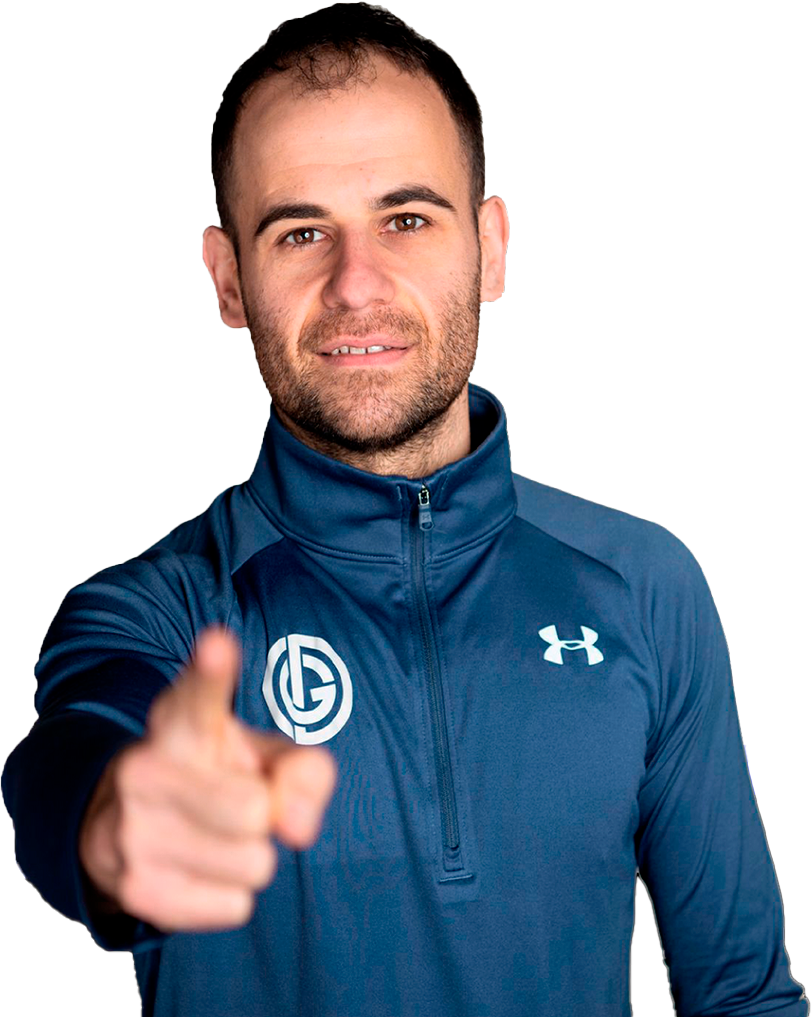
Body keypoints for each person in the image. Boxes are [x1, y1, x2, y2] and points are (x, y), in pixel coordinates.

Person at [2, 4, 807, 1016]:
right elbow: (77, 750)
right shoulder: (152, 610)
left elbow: (742, 996)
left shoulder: (646, 586)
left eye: (407, 220)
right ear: (228, 280)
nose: (356, 284)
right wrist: (111, 823)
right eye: (301, 233)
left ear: (491, 249)